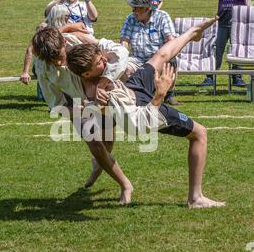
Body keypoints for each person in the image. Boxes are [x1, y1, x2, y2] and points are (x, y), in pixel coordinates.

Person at [67, 17, 226, 209]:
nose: (105, 60)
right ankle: (195, 198)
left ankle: (193, 32)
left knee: (159, 56)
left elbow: (117, 52)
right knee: (199, 133)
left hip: (133, 87)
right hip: (142, 107)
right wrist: (160, 94)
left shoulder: (95, 75)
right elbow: (137, 126)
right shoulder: (102, 96)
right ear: (86, 74)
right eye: (99, 62)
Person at [30, 25, 134, 204]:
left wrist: (102, 83)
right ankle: (125, 185)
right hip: (77, 103)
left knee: (107, 141)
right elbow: (56, 106)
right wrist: (82, 108)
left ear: (63, 41)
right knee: (95, 144)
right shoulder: (42, 66)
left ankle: (98, 166)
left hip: (102, 91)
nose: (58, 63)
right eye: (52, 61)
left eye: (60, 57)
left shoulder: (79, 39)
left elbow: (121, 52)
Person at [201, 0, 253, 87]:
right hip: (222, 17)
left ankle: (237, 77)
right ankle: (210, 77)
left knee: (237, 48)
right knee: (218, 48)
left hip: (239, 19)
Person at [120, 0, 180, 106]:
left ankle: (169, 94)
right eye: (133, 8)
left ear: (147, 9)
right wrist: (121, 57)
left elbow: (171, 41)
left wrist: (162, 56)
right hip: (137, 59)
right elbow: (124, 41)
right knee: (123, 67)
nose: (134, 11)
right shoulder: (130, 19)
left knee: (171, 60)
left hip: (158, 59)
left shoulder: (162, 17)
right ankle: (138, 95)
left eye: (137, 9)